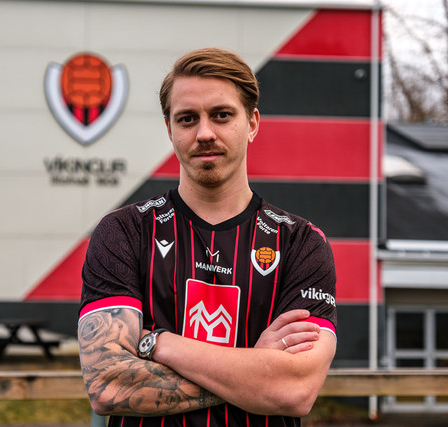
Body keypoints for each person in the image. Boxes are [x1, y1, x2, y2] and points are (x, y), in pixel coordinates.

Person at [77, 47, 337, 427]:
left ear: (252, 123)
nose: (204, 133)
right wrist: (256, 370)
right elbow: (107, 384)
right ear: (170, 130)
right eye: (187, 119)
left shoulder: (301, 243)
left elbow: (294, 390)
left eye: (221, 115)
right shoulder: (124, 232)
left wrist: (156, 342)